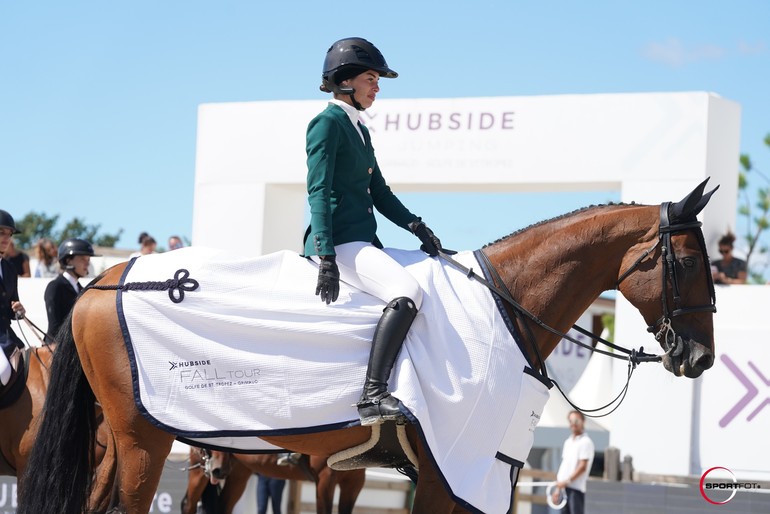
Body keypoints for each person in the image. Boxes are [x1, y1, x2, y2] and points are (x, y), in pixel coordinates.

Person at [303, 37, 450, 426]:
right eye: (372, 78)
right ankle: (372, 394)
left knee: (430, 274)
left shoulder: (361, 131)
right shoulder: (327, 123)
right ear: (346, 81)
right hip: (339, 242)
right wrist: (326, 255)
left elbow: (380, 193)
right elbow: (317, 191)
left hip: (362, 240)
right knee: (407, 292)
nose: (377, 87)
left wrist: (416, 225)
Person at [44, 238, 97, 340]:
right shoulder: (55, 286)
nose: (87, 264)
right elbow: (54, 325)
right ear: (68, 260)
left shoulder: (83, 290)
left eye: (88, 260)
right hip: (57, 346)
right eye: (83, 259)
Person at [0, 209, 27, 387]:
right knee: (3, 370)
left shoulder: (9, 269)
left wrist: (18, 310)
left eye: (9, 234)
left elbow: (11, 307)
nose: (6, 238)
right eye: (1, 232)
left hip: (6, 334)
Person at [552, 410, 595, 514]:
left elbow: (582, 467)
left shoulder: (586, 442)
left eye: (576, 420)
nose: (573, 424)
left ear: (583, 422)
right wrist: (558, 489)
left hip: (576, 491)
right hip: (564, 490)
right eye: (570, 421)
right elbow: (565, 466)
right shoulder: (568, 442)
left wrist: (566, 482)